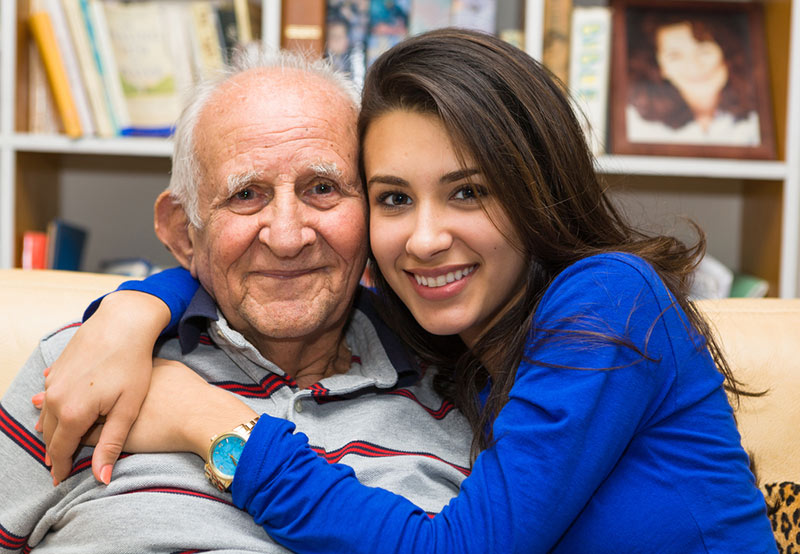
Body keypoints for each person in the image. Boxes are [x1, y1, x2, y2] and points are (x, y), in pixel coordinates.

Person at [39, 29, 775, 552]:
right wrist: (139, 306)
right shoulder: (440, 343)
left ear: (536, 192)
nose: (423, 239)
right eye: (393, 199)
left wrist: (213, 423)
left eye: (468, 192)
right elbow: (272, 268)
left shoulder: (609, 301)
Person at [0, 48, 472, 552]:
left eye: (322, 188)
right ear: (185, 232)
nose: (287, 237)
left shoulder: (461, 390)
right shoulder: (86, 368)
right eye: (246, 194)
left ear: (376, 216)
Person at [625, 8, 762, 146]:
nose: (694, 66)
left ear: (726, 55)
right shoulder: (636, 123)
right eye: (674, 56)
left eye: (704, 51)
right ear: (660, 68)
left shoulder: (758, 118)